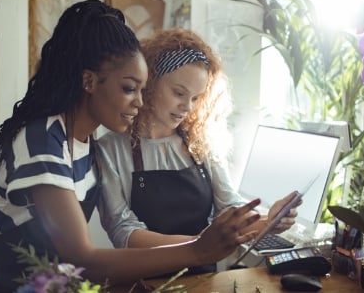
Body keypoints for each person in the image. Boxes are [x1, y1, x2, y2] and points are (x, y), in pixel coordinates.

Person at [0, 0, 262, 293]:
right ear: (89, 81)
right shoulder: (41, 140)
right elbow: (84, 260)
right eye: (129, 88)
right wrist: (198, 250)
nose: (140, 102)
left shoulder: (83, 142)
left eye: (142, 89)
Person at [97, 28, 300, 275]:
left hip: (204, 280)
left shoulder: (201, 142)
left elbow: (229, 208)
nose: (187, 107)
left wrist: (270, 222)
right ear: (149, 83)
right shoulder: (110, 148)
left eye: (196, 98)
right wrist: (198, 247)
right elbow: (123, 231)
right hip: (144, 281)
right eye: (179, 93)